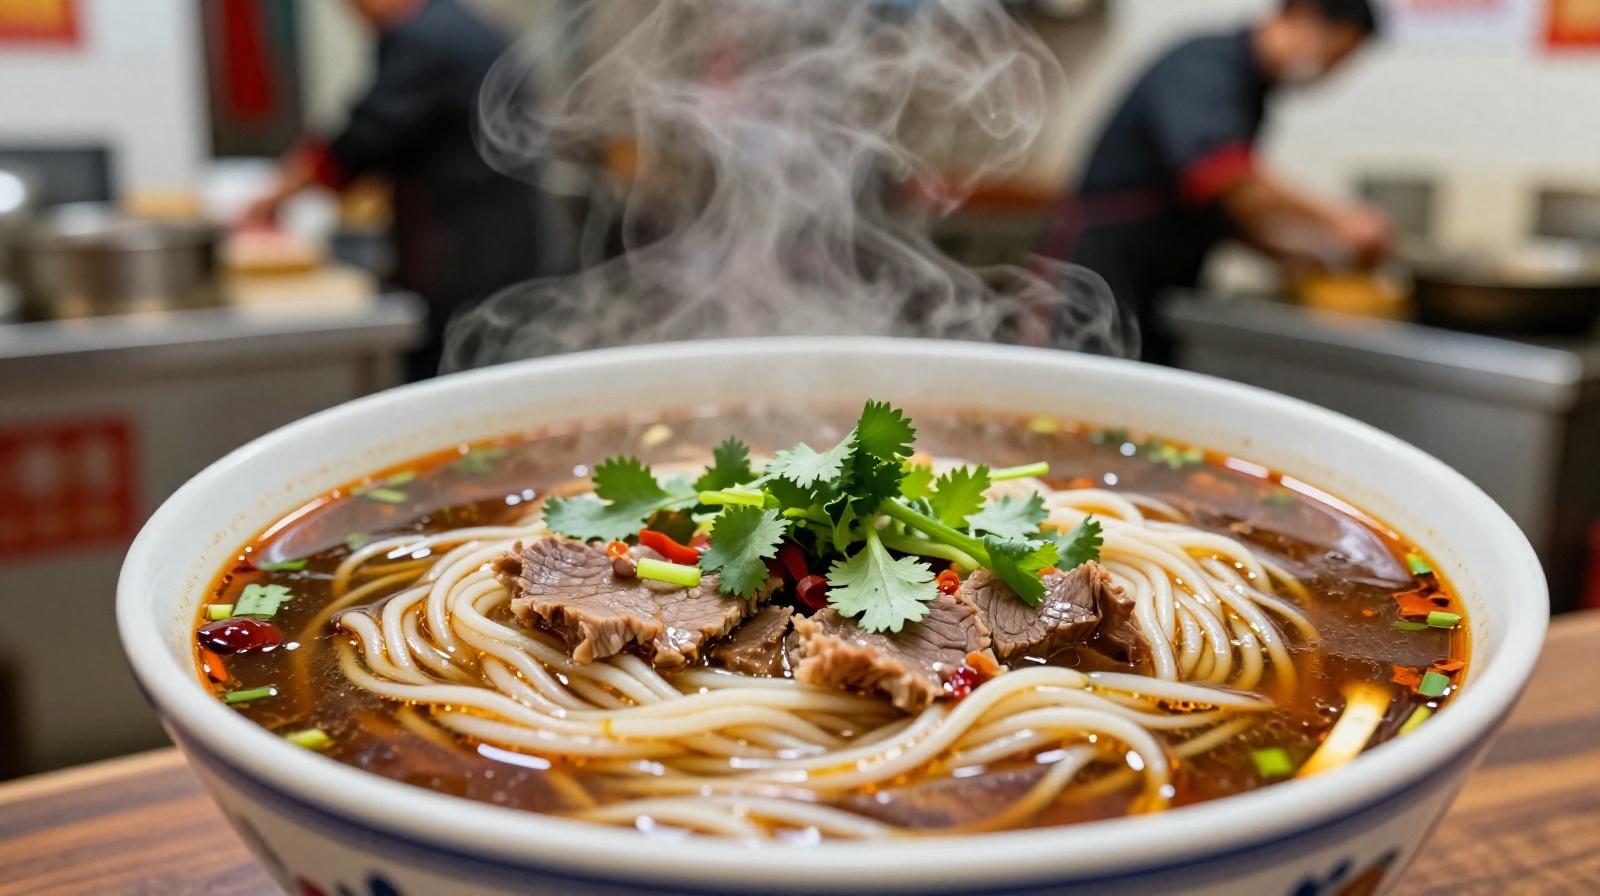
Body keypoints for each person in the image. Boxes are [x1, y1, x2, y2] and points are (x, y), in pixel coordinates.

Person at [1046, 0, 1390, 362]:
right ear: (1302, 17)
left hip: (1161, 286)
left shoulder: (1253, 90)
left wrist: (1293, 253)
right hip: (1100, 270)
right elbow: (1219, 173)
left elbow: (1222, 208)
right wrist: (1342, 220)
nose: (1328, 73)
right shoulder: (1206, 65)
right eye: (1333, 56)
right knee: (1075, 387)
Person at [246, 0, 543, 380]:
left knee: (456, 373)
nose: (356, 16)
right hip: (504, 235)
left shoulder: (423, 40)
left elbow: (362, 139)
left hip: (464, 249)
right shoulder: (456, 25)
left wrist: (274, 196)